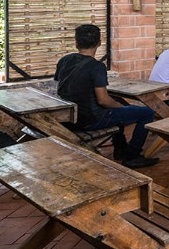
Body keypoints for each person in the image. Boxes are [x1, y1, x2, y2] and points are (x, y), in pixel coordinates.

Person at [54, 24, 159, 169]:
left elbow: (63, 86)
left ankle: (120, 148)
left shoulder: (64, 60)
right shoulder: (96, 66)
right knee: (146, 113)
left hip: (69, 117)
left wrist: (119, 106)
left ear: (76, 43)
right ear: (99, 43)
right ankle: (132, 156)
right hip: (91, 119)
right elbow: (103, 100)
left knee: (118, 103)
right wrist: (122, 107)